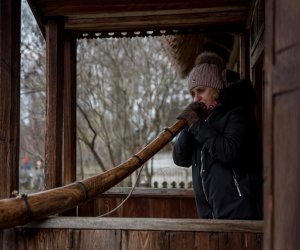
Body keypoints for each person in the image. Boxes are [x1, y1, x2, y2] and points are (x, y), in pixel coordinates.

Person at [172, 51, 262, 220]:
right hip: (209, 215)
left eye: (201, 91)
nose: (196, 98)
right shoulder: (202, 121)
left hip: (240, 214)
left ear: (216, 89)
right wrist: (187, 126)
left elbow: (228, 151)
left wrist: (197, 125)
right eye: (192, 93)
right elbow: (180, 158)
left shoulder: (238, 112)